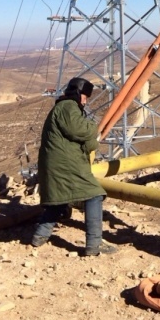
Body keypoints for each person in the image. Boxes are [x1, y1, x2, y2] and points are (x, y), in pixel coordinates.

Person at [31, 77, 116, 255]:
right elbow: (78, 130)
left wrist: (90, 141)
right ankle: (94, 244)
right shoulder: (68, 107)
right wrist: (94, 127)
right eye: (85, 96)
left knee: (60, 199)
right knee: (94, 194)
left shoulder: (63, 108)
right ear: (79, 95)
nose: (85, 101)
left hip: (57, 162)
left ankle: (40, 236)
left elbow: (80, 140)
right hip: (65, 163)